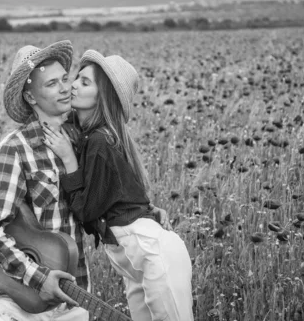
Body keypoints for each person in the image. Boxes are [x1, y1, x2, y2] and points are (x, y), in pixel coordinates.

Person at [0, 41, 170, 321]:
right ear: (31, 97)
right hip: (21, 304)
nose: (66, 87)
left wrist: (145, 214)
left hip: (73, 299)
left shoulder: (83, 143)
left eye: (66, 78)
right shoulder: (15, 149)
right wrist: (39, 277)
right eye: (52, 84)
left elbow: (99, 203)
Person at [41, 50, 194, 321]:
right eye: (77, 78)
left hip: (151, 252)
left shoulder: (100, 141)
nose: (73, 84)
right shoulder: (91, 136)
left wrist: (68, 160)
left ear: (103, 97)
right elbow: (125, 191)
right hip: (134, 257)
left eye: (85, 82)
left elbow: (86, 211)